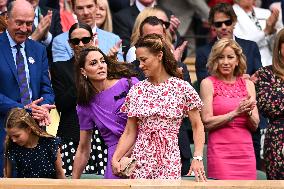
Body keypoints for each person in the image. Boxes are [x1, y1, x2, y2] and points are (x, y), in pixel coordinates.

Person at [111, 34, 206, 181]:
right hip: (141, 159)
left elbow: (197, 125)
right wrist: (116, 158)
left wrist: (198, 157)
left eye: (144, 60)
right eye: (138, 60)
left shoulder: (182, 87)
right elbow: (130, 131)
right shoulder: (137, 90)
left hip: (169, 158)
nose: (140, 65)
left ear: (159, 55)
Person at [195, 3, 263, 169]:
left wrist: (247, 83)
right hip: (220, 142)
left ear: (234, 22)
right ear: (212, 26)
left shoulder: (250, 47)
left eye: (227, 22)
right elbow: (207, 83)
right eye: (218, 24)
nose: (223, 27)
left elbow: (258, 79)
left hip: (246, 138)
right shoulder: (204, 52)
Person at [0, 0, 55, 177]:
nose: (24, 28)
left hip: (35, 134)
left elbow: (47, 89)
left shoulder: (38, 50)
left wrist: (43, 107)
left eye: (29, 23)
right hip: (4, 131)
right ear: (7, 18)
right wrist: (22, 109)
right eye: (19, 22)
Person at [50, 22, 108, 176]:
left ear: (93, 39)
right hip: (73, 135)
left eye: (85, 40)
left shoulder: (104, 65)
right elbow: (61, 104)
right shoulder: (60, 68)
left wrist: (95, 63)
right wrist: (82, 75)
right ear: (70, 43)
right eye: (75, 41)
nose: (80, 44)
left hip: (102, 136)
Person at [72, 46, 138, 179]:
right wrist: (74, 182)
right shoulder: (85, 104)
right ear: (83, 71)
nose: (101, 66)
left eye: (102, 61)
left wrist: (124, 157)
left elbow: (147, 125)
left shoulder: (129, 84)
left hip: (142, 150)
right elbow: (84, 148)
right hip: (115, 162)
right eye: (93, 63)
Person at [200, 38, 259, 180]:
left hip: (245, 153)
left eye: (230, 57)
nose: (225, 62)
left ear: (237, 60)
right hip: (220, 153)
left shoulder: (248, 84)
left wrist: (248, 112)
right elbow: (206, 122)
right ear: (215, 60)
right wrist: (235, 113)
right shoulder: (208, 83)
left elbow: (255, 125)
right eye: (221, 57)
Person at [254, 28, 284, 180]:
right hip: (277, 140)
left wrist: (279, 96)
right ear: (279, 47)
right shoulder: (266, 73)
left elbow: (277, 102)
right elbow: (268, 105)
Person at [52, 0, 123, 62]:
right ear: (73, 9)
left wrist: (112, 63)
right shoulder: (60, 41)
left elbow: (121, 74)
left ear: (96, 7)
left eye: (89, 6)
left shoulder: (114, 39)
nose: (85, 12)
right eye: (80, 8)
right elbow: (62, 72)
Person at [4, 108, 65, 178]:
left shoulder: (50, 143)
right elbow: (8, 177)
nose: (13, 140)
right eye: (11, 136)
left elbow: (60, 173)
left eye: (16, 136)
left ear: (28, 129)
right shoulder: (12, 147)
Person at [233, 0, 282, 66]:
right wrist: (265, 32)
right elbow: (241, 44)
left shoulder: (266, 13)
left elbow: (278, 44)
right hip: (249, 65)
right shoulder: (230, 16)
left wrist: (272, 31)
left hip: (273, 62)